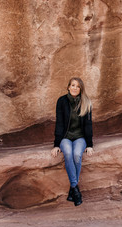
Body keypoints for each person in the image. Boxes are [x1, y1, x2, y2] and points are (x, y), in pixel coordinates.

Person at [51, 77, 94, 206]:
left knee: (77, 154)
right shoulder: (62, 101)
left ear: (81, 89)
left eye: (78, 86)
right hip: (65, 137)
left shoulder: (86, 102)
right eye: (72, 85)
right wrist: (56, 145)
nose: (75, 88)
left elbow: (88, 125)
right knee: (68, 154)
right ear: (68, 87)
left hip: (80, 137)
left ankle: (73, 189)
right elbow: (59, 123)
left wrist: (90, 144)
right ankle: (75, 189)